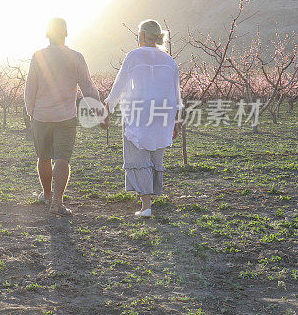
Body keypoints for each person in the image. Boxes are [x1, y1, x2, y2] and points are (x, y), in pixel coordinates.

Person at [104, 19, 182, 218]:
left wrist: (109, 106)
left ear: (143, 36)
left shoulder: (134, 56)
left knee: (139, 156)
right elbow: (176, 93)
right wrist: (176, 120)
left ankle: (146, 205)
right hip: (163, 113)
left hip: (138, 112)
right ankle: (149, 201)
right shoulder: (169, 60)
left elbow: (120, 84)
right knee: (155, 155)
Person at [25, 18, 100, 216]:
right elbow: (88, 86)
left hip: (41, 115)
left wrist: (30, 111)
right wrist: (98, 110)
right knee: (62, 159)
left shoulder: (38, 56)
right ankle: (57, 203)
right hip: (65, 117)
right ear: (66, 33)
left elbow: (30, 87)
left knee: (43, 158)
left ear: (47, 34)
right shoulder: (76, 57)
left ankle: (47, 195)